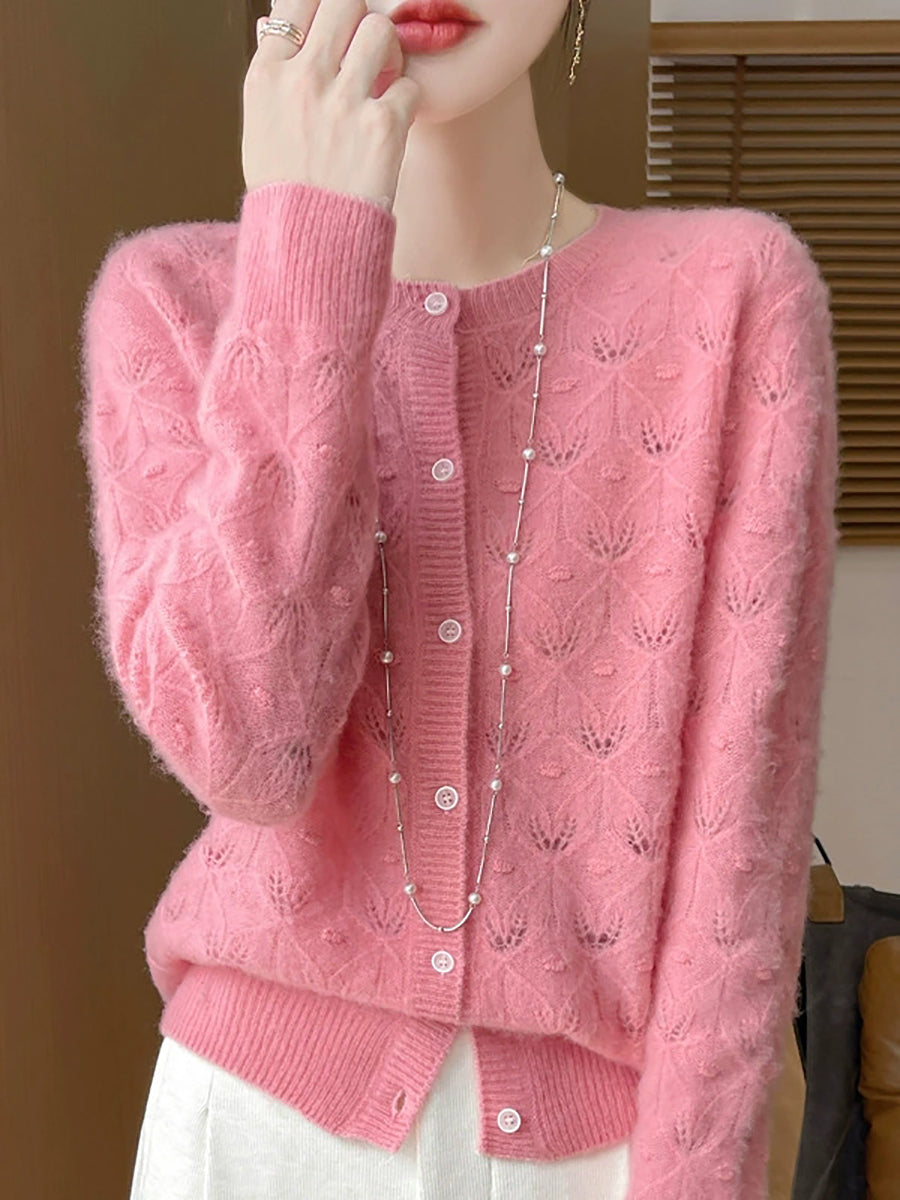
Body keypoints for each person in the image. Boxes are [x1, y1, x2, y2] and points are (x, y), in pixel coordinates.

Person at [77, 1, 841, 1197]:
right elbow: (251, 756)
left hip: (599, 1156)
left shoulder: (732, 296)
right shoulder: (174, 299)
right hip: (252, 1133)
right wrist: (308, 246)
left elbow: (743, 846)